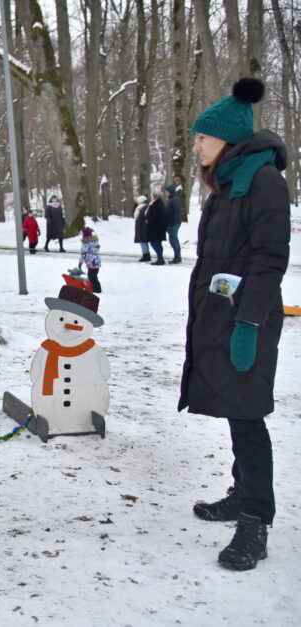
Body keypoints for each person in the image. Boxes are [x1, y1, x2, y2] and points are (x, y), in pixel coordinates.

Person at [179, 78, 289, 572]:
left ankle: (255, 521)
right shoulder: (226, 184)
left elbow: (270, 259)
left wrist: (249, 322)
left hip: (249, 320)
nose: (195, 145)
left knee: (248, 417)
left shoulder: (263, 181)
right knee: (234, 410)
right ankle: (241, 491)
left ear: (226, 138)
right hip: (223, 317)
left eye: (202, 137)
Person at [145, 191, 167, 265]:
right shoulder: (160, 204)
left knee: (155, 243)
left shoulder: (156, 205)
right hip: (159, 228)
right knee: (157, 243)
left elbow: (153, 216)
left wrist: (149, 220)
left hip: (155, 228)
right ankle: (160, 258)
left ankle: (160, 258)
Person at [77, 227, 102, 293]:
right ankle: (95, 288)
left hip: (91, 263)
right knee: (93, 276)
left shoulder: (85, 244)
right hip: (97, 262)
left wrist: (80, 264)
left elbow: (83, 255)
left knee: (92, 277)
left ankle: (97, 290)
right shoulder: (95, 242)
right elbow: (96, 250)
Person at [164, 185, 184, 263]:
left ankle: (177, 256)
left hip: (174, 223)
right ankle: (177, 256)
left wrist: (172, 223)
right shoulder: (170, 199)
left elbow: (177, 212)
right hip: (170, 223)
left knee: (174, 239)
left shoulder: (175, 200)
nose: (165, 193)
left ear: (170, 192)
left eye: (167, 192)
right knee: (172, 239)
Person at [133, 195, 151, 262]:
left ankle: (146, 254)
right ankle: (145, 254)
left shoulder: (143, 207)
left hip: (142, 226)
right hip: (141, 226)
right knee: (142, 241)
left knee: (143, 241)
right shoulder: (142, 207)